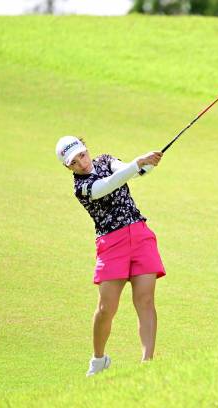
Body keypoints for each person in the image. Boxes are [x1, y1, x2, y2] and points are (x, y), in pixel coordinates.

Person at [55, 135, 166, 377]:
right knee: (107, 307)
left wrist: (147, 164)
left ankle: (148, 363)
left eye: (82, 156)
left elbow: (130, 172)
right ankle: (99, 359)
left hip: (140, 235)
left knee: (145, 300)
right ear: (68, 167)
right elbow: (108, 185)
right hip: (111, 244)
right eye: (74, 162)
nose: (82, 164)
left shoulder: (105, 160)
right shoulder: (81, 188)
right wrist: (138, 163)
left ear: (87, 150)